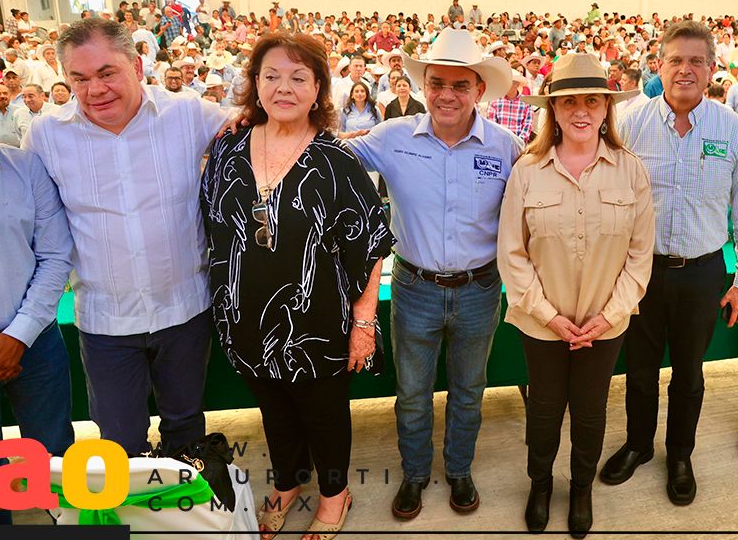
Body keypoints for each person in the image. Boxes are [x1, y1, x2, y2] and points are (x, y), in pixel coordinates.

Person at [202, 31, 393, 540]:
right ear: (255, 84)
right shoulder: (227, 149)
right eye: (271, 76)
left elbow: (371, 242)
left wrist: (364, 321)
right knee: (275, 412)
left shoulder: (338, 161)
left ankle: (334, 494)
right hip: (244, 320)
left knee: (324, 415)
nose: (282, 87)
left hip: (317, 325)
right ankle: (288, 481)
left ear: (318, 90)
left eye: (298, 77)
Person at [22, 17, 232, 456]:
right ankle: (133, 524)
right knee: (119, 443)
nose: (94, 90)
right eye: (78, 79)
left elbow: (259, 126)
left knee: (186, 430)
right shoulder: (45, 135)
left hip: (185, 312)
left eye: (106, 73)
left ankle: (181, 522)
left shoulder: (188, 112)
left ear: (137, 66)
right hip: (105, 322)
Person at [339, 28, 521, 520]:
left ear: (479, 90)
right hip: (414, 288)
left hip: (481, 290)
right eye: (437, 83)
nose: (446, 94)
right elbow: (327, 154)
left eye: (460, 85)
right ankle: (416, 475)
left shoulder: (507, 147)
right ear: (423, 87)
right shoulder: (391, 136)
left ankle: (459, 470)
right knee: (412, 395)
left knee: (469, 391)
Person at [600, 21, 738, 505]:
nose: (685, 70)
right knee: (640, 370)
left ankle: (679, 454)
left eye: (697, 61)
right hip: (641, 272)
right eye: (676, 59)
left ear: (713, 69)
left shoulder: (731, 130)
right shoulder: (630, 122)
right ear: (659, 65)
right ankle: (637, 445)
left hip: (703, 273)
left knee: (690, 373)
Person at [498, 53, 653, 536]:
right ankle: (541, 483)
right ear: (554, 109)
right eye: (568, 102)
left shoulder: (631, 170)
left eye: (592, 101)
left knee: (590, 411)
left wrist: (607, 318)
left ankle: (581, 487)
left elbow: (639, 257)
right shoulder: (527, 169)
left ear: (607, 107)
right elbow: (512, 253)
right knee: (544, 411)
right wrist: (549, 316)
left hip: (604, 327)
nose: (580, 111)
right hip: (541, 325)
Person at [0, 135, 75, 526]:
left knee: (57, 461)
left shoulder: (24, 167)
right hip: (29, 338)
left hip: (35, 342)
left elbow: (55, 255)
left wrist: (17, 335)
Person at [486, 73, 533, 143]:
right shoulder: (495, 101)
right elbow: (492, 125)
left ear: (516, 85)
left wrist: (519, 142)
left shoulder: (526, 103)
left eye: (507, 83)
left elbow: (527, 126)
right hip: (498, 143)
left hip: (519, 144)